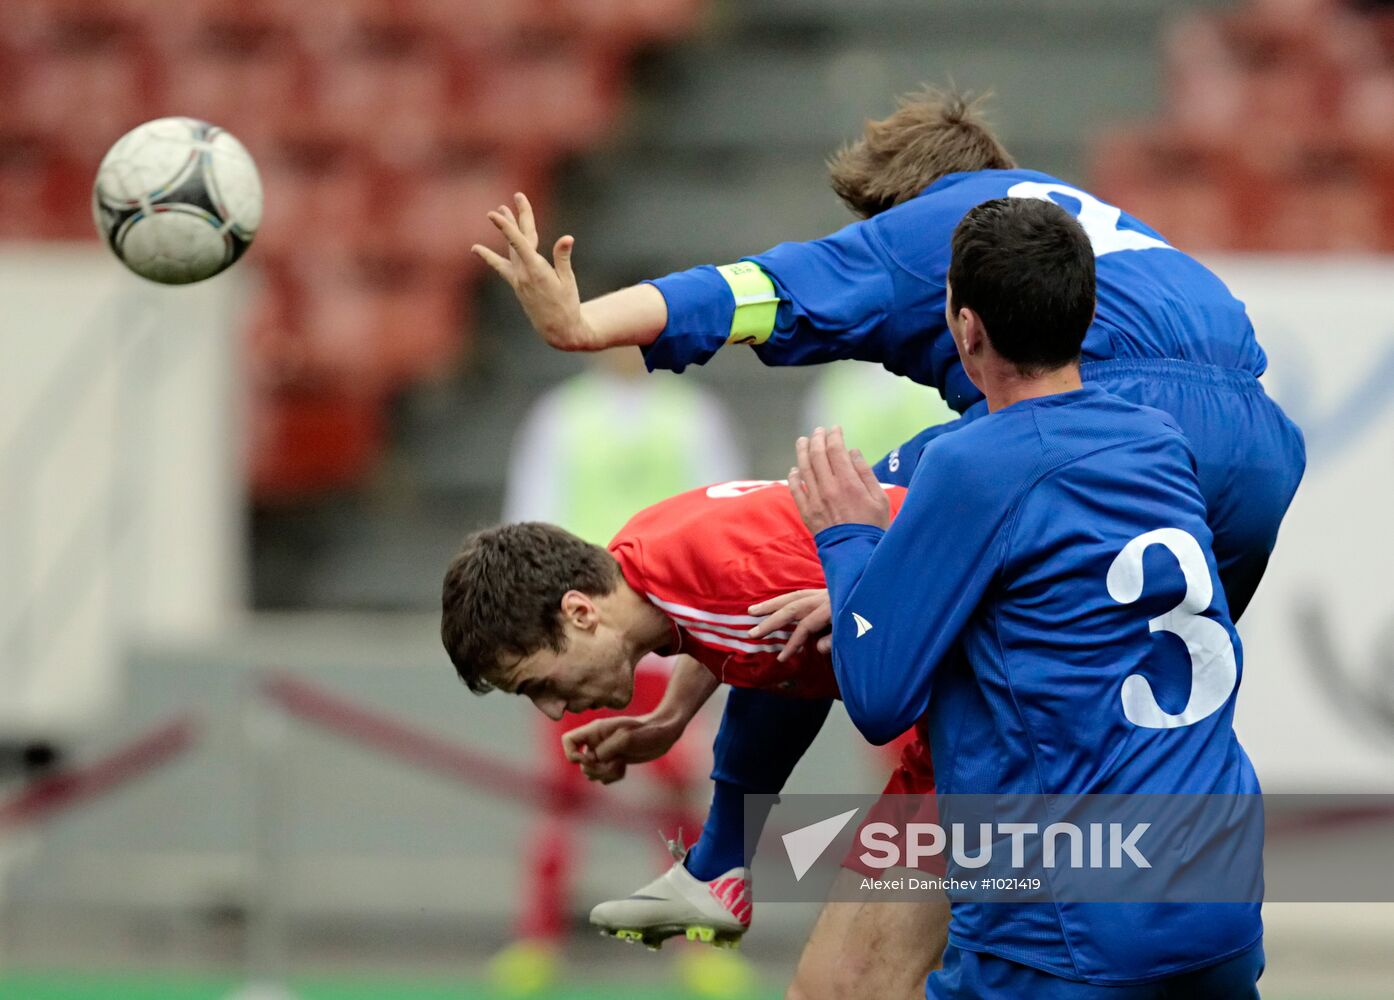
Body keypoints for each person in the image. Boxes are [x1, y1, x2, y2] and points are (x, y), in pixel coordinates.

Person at [472, 87, 1302, 997]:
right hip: (1252, 452)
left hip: (1105, 426)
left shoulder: (943, 231)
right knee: (1016, 672)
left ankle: (723, 862)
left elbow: (766, 290)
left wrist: (588, 325)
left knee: (838, 523)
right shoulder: (1085, 225)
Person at [793, 198, 1264, 997]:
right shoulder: (1158, 439)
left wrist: (850, 540)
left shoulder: (974, 463)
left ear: (965, 328)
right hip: (1217, 889)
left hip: (1068, 924)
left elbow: (877, 697)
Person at [440, 477, 946, 999]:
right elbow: (749, 635)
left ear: (580, 612)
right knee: (826, 991)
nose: (552, 710)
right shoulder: (644, 559)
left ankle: (717, 869)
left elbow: (888, 661)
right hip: (964, 743)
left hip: (1008, 742)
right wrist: (670, 718)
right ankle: (718, 869)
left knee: (877, 986)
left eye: (540, 684)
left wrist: (859, 616)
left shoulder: (740, 577)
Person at [492, 346, 745, 995]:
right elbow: (527, 521)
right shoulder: (560, 418)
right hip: (576, 642)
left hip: (667, 633)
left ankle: (699, 939)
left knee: (680, 788)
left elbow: (723, 515)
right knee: (560, 794)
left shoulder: (692, 415)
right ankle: (539, 938)